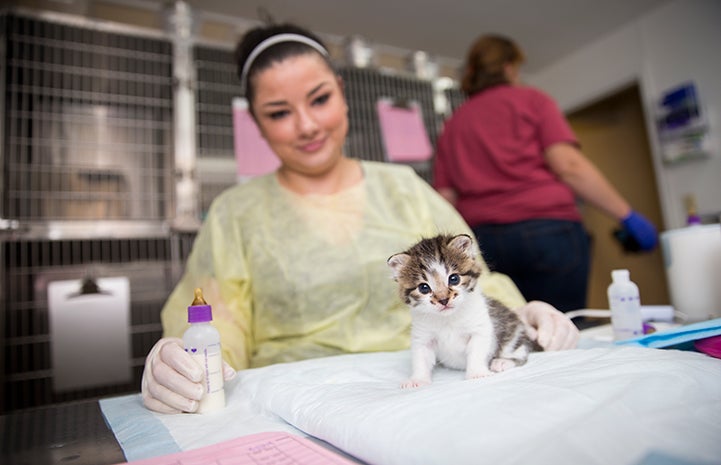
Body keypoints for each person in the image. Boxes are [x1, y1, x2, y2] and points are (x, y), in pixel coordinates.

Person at [141, 24, 580, 414]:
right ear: (255, 121)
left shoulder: (404, 188)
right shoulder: (235, 213)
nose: (307, 125)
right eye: (279, 112)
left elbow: (471, 277)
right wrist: (185, 358)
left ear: (342, 89)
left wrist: (522, 311)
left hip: (430, 395)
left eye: (320, 99)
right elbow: (217, 321)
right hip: (296, 405)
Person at [433, 34, 658, 312]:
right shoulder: (532, 101)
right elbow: (569, 166)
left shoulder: (453, 125)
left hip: (483, 242)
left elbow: (444, 199)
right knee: (562, 323)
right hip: (547, 232)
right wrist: (627, 216)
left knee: (507, 329)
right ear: (509, 67)